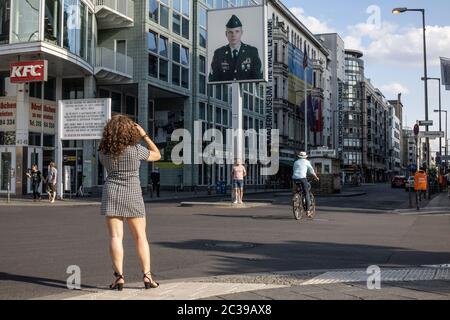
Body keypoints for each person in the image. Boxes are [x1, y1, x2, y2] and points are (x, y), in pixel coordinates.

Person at [98, 115, 161, 291]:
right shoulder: (136, 149)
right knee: (140, 236)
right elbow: (157, 155)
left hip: (111, 192)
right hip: (132, 192)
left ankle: (119, 277)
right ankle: (147, 276)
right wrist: (145, 135)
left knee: (115, 237)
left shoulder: (103, 150)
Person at [209, 14, 263, 82]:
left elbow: (258, 79)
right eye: (230, 32)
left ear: (241, 33)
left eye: (237, 31)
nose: (233, 35)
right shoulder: (219, 53)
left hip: (246, 92)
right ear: (226, 34)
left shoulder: (252, 52)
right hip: (226, 92)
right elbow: (213, 80)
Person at [292, 152, 319, 217]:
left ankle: (297, 196)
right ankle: (308, 211)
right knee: (306, 193)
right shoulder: (307, 162)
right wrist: (316, 177)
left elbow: (294, 170)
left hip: (295, 178)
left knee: (298, 189)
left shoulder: (296, 162)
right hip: (302, 178)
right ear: (305, 157)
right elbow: (311, 171)